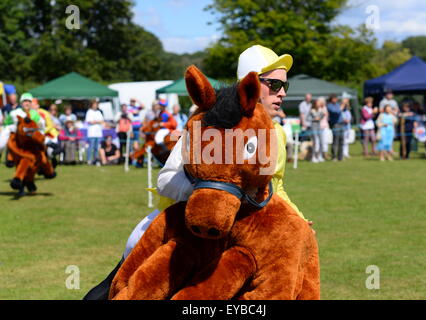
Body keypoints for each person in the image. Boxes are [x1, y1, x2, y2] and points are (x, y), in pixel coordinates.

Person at [83, 44, 313, 300]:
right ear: (250, 83)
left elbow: (274, 187)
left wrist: (298, 220)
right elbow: (166, 179)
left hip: (241, 237)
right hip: (178, 227)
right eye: (274, 84)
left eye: (285, 86)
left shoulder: (275, 133)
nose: (281, 93)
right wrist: (214, 192)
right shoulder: (207, 121)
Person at [85, 100, 104, 165]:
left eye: (96, 104)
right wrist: (98, 121)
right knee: (91, 147)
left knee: (97, 148)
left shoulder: (99, 112)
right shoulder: (89, 112)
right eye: (94, 104)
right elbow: (90, 121)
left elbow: (102, 121)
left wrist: (96, 121)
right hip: (92, 133)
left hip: (98, 133)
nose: (95, 105)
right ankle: (89, 160)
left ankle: (95, 160)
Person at [327, 94, 345, 161]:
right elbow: (336, 112)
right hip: (335, 124)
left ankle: (340, 157)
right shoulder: (329, 106)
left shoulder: (338, 104)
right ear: (331, 99)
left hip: (341, 124)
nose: (335, 100)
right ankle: (334, 156)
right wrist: (341, 107)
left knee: (341, 140)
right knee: (335, 140)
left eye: (336, 98)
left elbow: (344, 109)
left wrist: (345, 104)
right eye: (334, 98)